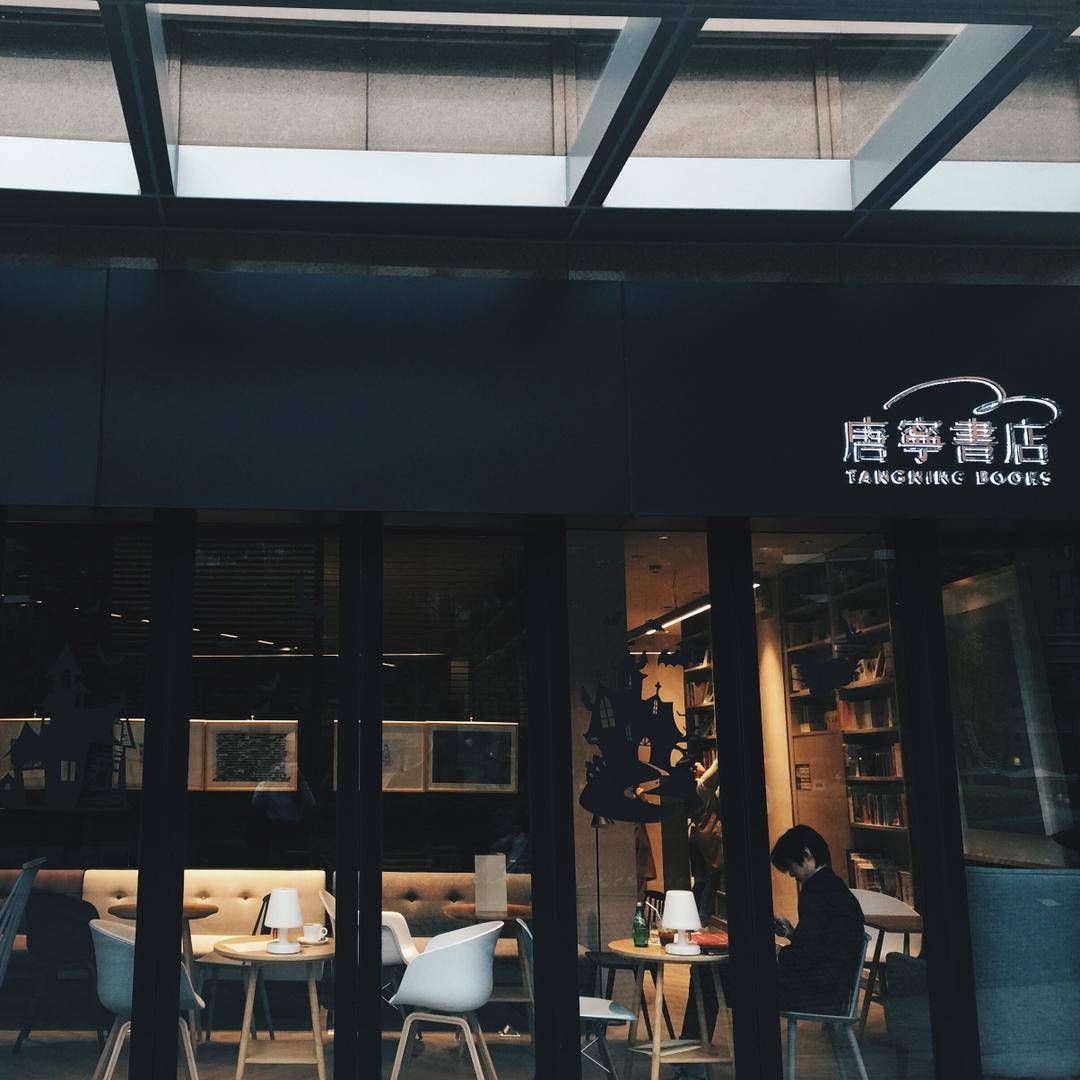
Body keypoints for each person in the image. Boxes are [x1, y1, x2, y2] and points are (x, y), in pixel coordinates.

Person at [771, 824, 865, 1014]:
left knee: (725, 975)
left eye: (791, 866)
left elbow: (807, 956)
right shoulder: (835, 887)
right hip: (834, 989)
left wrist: (778, 952)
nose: (791, 874)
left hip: (816, 992)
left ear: (806, 854)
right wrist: (791, 933)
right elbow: (820, 945)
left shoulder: (815, 892)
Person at [689, 759, 724, 919]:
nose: (701, 764)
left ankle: (694, 915)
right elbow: (716, 767)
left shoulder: (694, 789)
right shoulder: (700, 786)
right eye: (697, 764)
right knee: (712, 877)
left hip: (696, 836)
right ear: (694, 770)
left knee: (701, 879)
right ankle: (704, 916)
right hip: (708, 837)